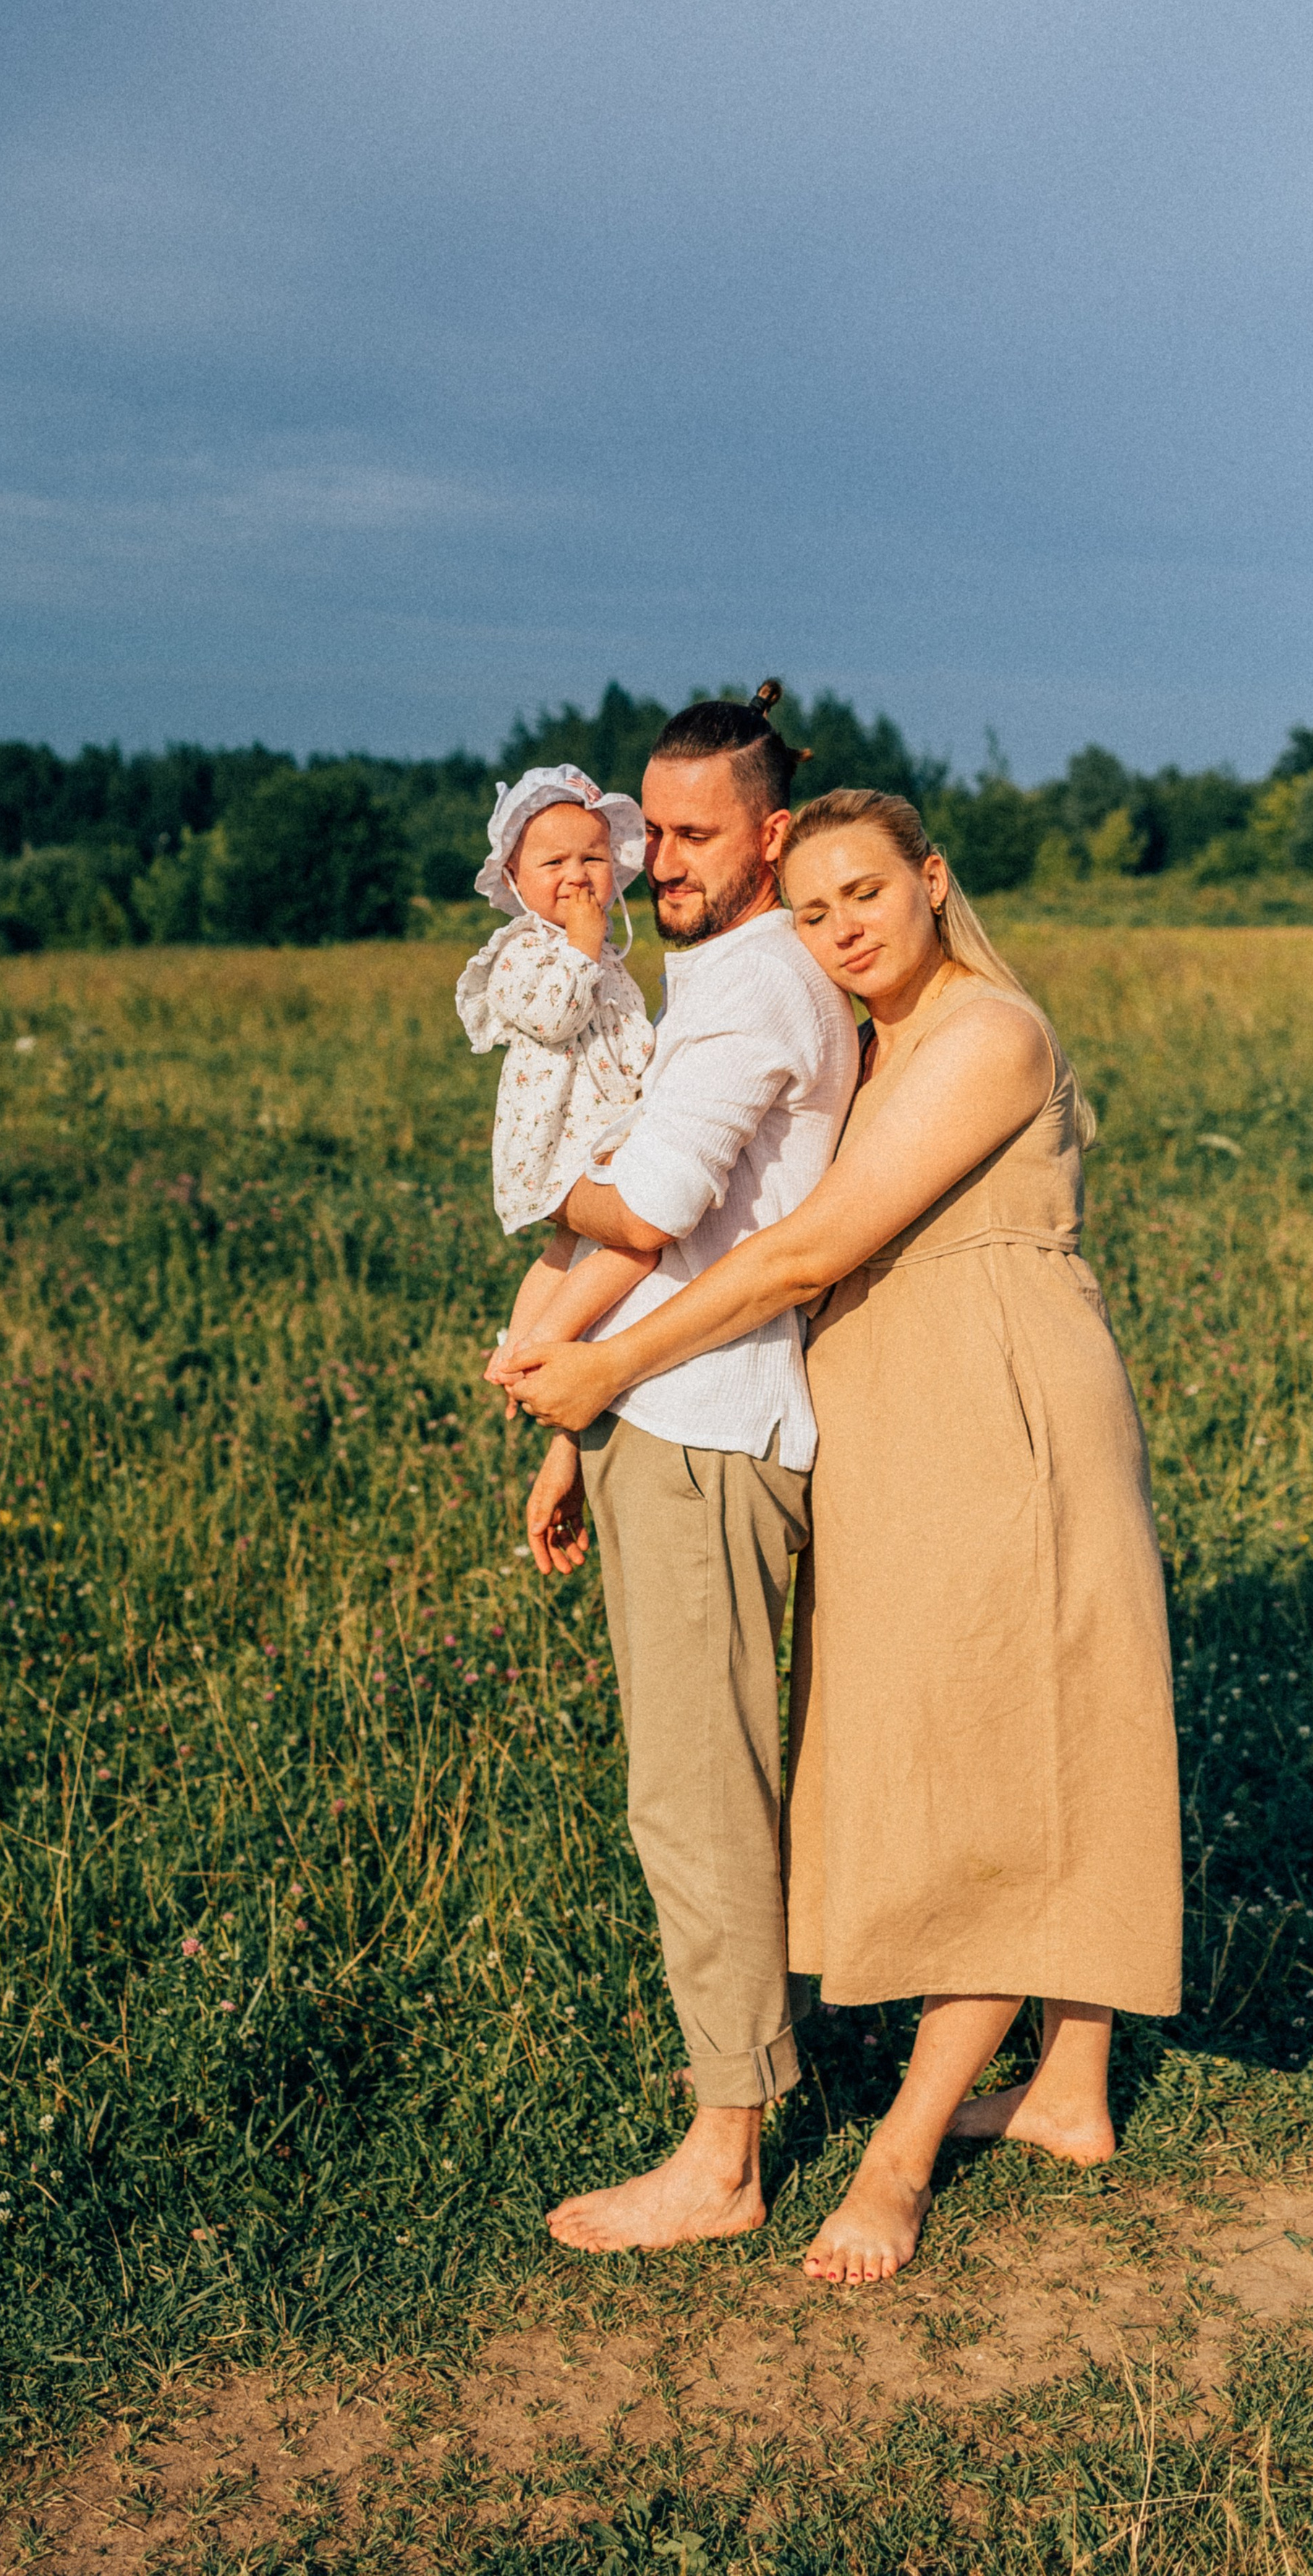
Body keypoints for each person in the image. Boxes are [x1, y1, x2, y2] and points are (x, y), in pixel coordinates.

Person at [506, 786, 1184, 2285]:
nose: (841, 933)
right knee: (1000, 1736)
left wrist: (605, 1371)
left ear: (932, 881)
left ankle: (890, 2164)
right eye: (811, 913)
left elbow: (809, 1247)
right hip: (909, 1428)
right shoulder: (877, 1042)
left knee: (1002, 1764)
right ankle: (1066, 2092)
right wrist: (571, 1421)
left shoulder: (985, 1034)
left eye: (865, 896)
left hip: (998, 1417)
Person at [501, 686, 860, 2254]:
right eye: (654, 833)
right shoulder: (719, 975)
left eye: (696, 834)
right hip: (660, 1413)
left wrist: (538, 1287)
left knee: (697, 1792)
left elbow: (647, 1208)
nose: (659, 864)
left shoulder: (755, 986)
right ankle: (738, 2099)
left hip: (713, 1426)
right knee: (688, 1779)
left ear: (772, 833)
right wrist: (578, 1426)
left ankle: (724, 2157)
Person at [457, 764, 659, 1357]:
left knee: (570, 1252)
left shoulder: (600, 953)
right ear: (515, 879)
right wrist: (581, 944)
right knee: (636, 1243)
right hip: (558, 1140)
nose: (576, 877)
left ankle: (519, 1350)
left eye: (592, 860)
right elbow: (555, 1016)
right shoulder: (520, 953)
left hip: (601, 1129)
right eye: (554, 864)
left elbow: (626, 1035)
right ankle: (541, 1348)